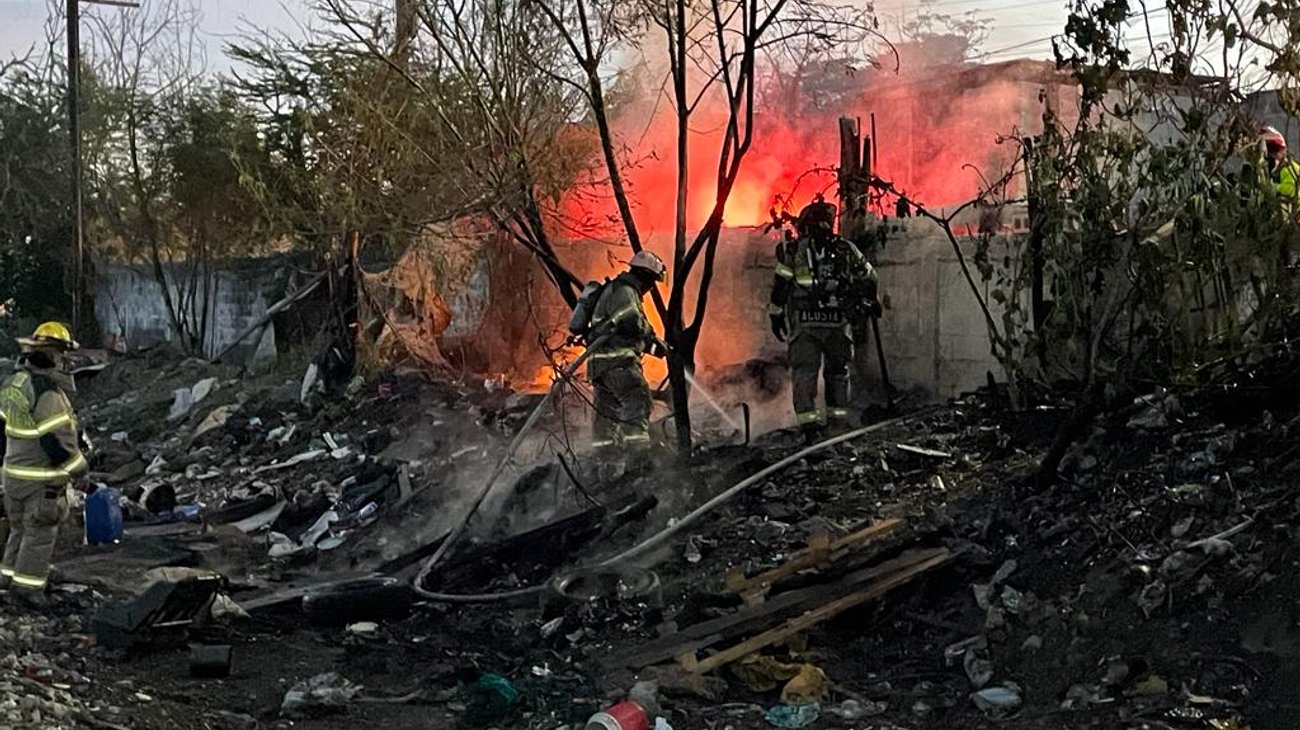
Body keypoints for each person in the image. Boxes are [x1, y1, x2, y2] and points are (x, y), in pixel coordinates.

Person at [769, 197, 880, 440]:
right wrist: (869, 301)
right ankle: (837, 424)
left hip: (805, 325)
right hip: (838, 325)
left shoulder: (794, 251)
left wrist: (776, 315)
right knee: (838, 372)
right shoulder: (846, 249)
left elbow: (781, 285)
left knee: (805, 373)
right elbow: (869, 276)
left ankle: (810, 428)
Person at [0, 322, 88, 604]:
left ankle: (7, 580)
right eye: (61, 353)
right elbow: (58, 443)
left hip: (13, 476)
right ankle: (27, 591)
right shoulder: (48, 392)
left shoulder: (15, 383)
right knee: (39, 536)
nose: (64, 360)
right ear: (50, 354)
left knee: (19, 531)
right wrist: (80, 471)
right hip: (39, 480)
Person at [586, 251, 668, 449]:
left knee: (607, 414)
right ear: (645, 276)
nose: (650, 287)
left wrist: (654, 347)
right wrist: (652, 336)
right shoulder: (625, 291)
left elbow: (621, 330)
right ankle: (637, 454)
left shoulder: (617, 290)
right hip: (618, 363)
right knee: (638, 399)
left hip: (602, 364)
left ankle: (604, 459)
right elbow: (632, 322)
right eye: (652, 281)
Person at [1260, 126, 1300, 215]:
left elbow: (1290, 189)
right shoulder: (1279, 169)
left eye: (1275, 150)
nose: (1272, 155)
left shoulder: (1289, 169)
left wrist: (1274, 187)